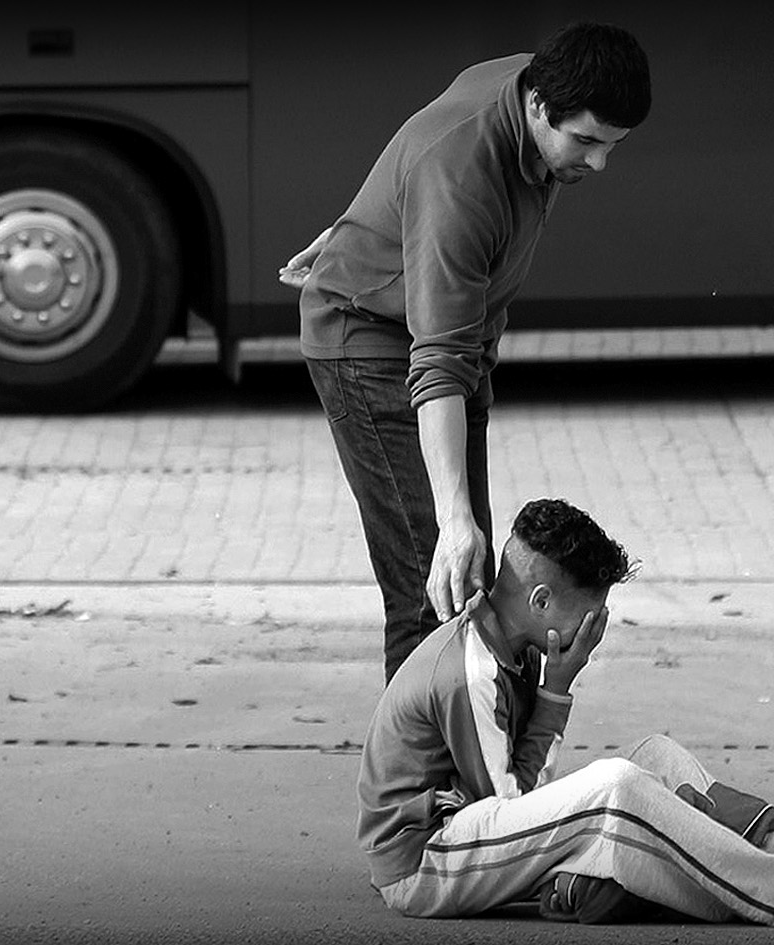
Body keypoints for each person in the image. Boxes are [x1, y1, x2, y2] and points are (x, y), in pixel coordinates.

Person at [356, 497, 774, 926]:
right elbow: (513, 804)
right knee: (616, 786)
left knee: (657, 758)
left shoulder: (514, 641)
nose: (596, 628)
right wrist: (559, 693)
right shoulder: (474, 671)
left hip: (480, 831)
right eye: (590, 612)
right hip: (424, 863)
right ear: (541, 601)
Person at [280, 22, 653, 682]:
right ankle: (414, 785)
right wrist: (454, 521)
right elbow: (437, 362)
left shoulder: (530, 79)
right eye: (587, 142)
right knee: (436, 585)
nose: (597, 164)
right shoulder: (462, 174)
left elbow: (411, 156)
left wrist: (363, 228)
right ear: (537, 107)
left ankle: (470, 768)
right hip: (370, 347)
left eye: (612, 145)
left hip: (451, 339)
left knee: (468, 582)